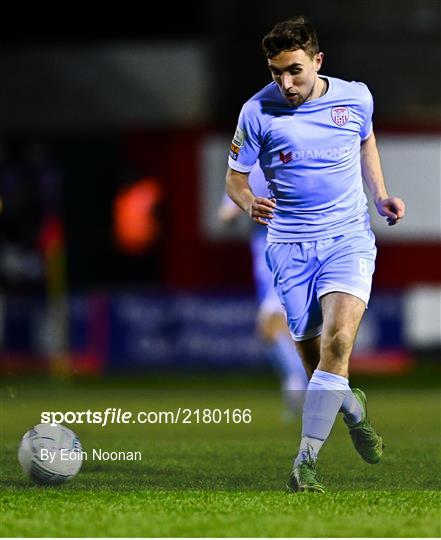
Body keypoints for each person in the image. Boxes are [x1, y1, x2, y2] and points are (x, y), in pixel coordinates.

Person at [225, 16, 405, 493]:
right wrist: (247, 202)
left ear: (318, 61)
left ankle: (305, 462)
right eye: (276, 72)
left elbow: (365, 140)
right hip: (289, 247)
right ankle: (352, 407)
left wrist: (381, 195)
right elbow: (235, 178)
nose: (285, 83)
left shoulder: (356, 97)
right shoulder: (255, 112)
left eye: (295, 71)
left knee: (339, 344)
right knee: (319, 369)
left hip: (347, 237)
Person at [218, 161, 308, 415]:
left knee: (270, 323)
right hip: (297, 247)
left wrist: (243, 206)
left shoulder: (248, 169)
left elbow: (225, 215)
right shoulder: (295, 159)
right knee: (283, 324)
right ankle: (302, 382)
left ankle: (300, 383)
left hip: (274, 250)